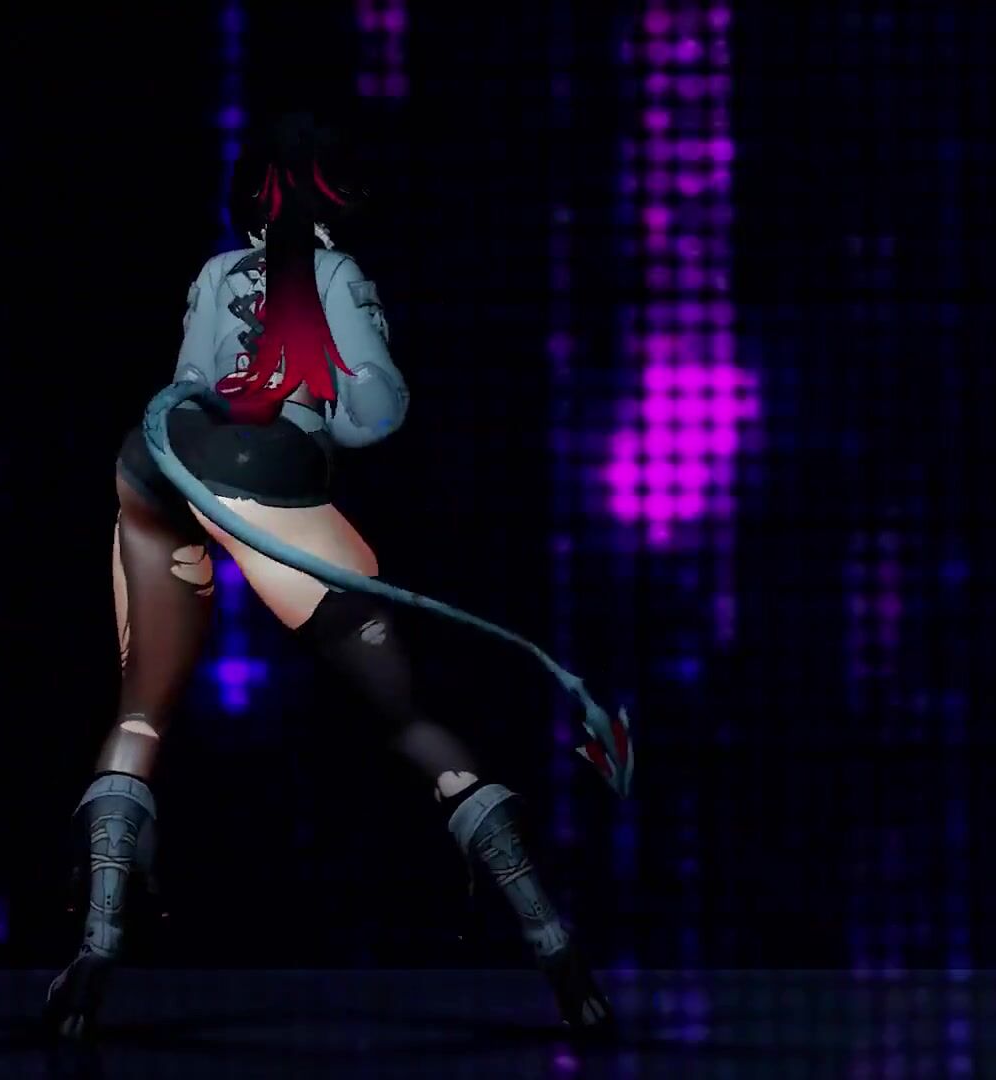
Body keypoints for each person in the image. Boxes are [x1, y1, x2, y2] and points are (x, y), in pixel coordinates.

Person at [45, 111, 615, 1040]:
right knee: (411, 719)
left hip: (158, 467)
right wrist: (316, 414)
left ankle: (99, 939)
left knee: (140, 713)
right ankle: (554, 945)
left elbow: (191, 381)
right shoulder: (339, 274)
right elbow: (376, 415)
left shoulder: (216, 273)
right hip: (263, 476)